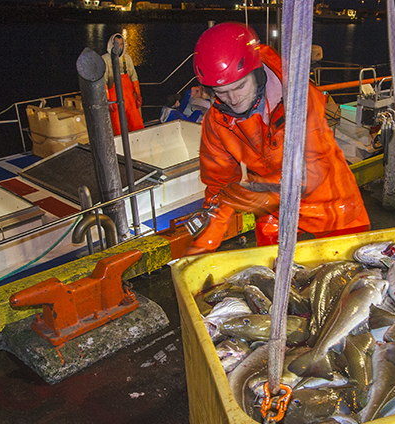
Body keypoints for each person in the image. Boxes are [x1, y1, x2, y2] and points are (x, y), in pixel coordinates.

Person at [183, 23, 370, 256]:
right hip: (275, 214)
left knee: (346, 274)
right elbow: (219, 185)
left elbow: (314, 169)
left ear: (257, 72)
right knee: (273, 277)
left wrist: (264, 198)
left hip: (331, 205)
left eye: (240, 86)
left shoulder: (299, 96)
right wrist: (205, 242)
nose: (232, 99)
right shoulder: (217, 121)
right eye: (221, 92)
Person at [102, 34, 144, 136]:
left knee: (136, 124)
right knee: (117, 126)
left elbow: (134, 77)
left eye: (121, 44)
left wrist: (138, 94)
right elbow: (104, 81)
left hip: (129, 98)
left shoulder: (127, 58)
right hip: (114, 99)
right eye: (117, 44)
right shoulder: (105, 59)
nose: (119, 47)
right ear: (111, 44)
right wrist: (108, 99)